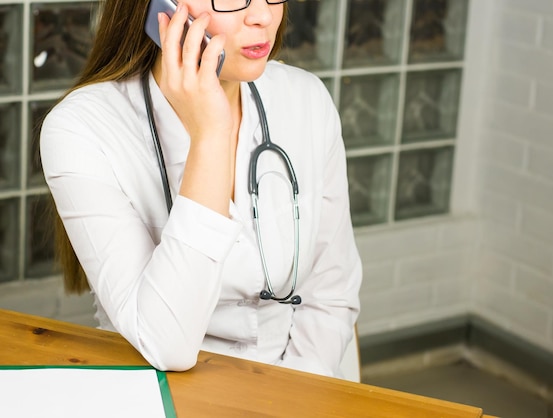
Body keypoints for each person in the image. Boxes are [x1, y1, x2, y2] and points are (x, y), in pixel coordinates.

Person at [39, 0, 362, 379]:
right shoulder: (81, 128)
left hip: (302, 386)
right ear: (159, 7)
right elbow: (167, 345)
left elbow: (332, 293)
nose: (262, 15)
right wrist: (210, 137)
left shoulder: (306, 99)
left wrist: (295, 394)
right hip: (159, 389)